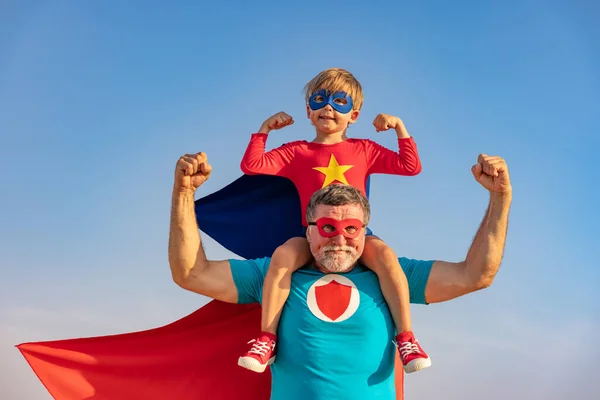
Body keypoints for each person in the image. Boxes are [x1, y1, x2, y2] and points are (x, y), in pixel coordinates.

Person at [168, 151, 512, 400]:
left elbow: (475, 274)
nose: (339, 238)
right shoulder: (275, 274)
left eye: (351, 228)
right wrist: (184, 194)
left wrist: (500, 198)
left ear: (365, 232)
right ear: (309, 231)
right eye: (328, 227)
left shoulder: (393, 275)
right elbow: (191, 273)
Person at [238, 68, 429, 374]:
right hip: (312, 234)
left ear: (353, 115)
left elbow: (410, 166)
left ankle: (406, 338)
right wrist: (264, 130)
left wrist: (400, 128)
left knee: (385, 256)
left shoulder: (363, 149)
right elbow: (252, 165)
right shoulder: (296, 151)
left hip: (355, 235)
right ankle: (266, 339)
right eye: (320, 100)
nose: (328, 107)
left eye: (339, 101)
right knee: (284, 256)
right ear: (308, 111)